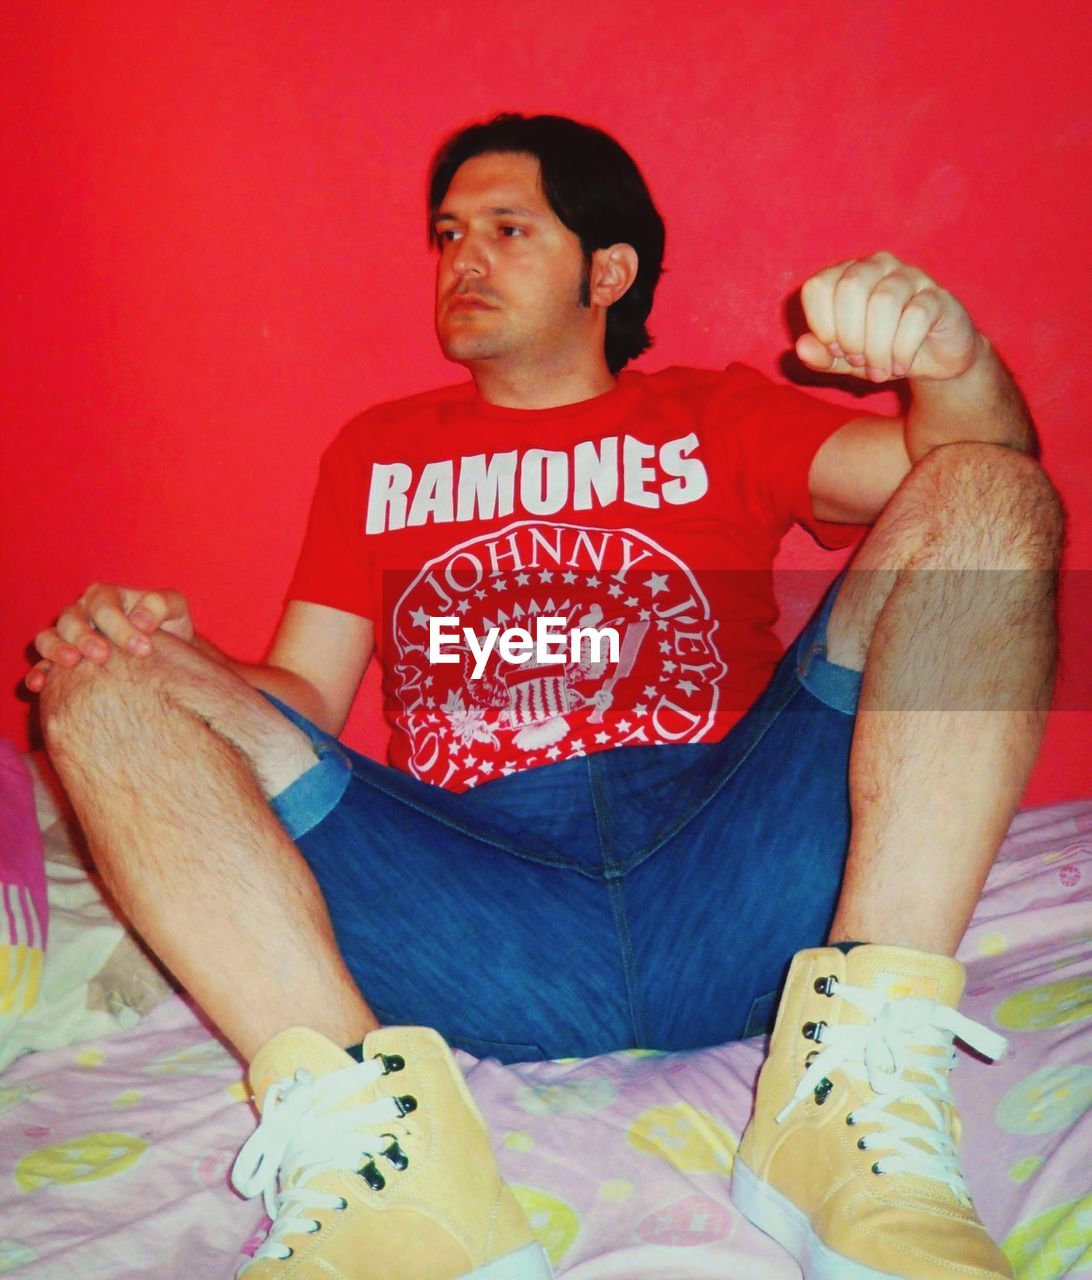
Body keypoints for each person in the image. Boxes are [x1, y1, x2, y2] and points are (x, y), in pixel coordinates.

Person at [26, 113, 1062, 1280]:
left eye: (509, 228)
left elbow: (973, 478)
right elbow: (304, 693)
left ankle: (854, 1084)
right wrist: (168, 656)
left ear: (607, 271)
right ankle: (391, 1162)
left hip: (736, 862)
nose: (462, 259)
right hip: (468, 900)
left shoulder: (716, 413)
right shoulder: (376, 451)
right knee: (100, 684)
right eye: (450, 233)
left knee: (986, 493)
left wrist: (954, 363)